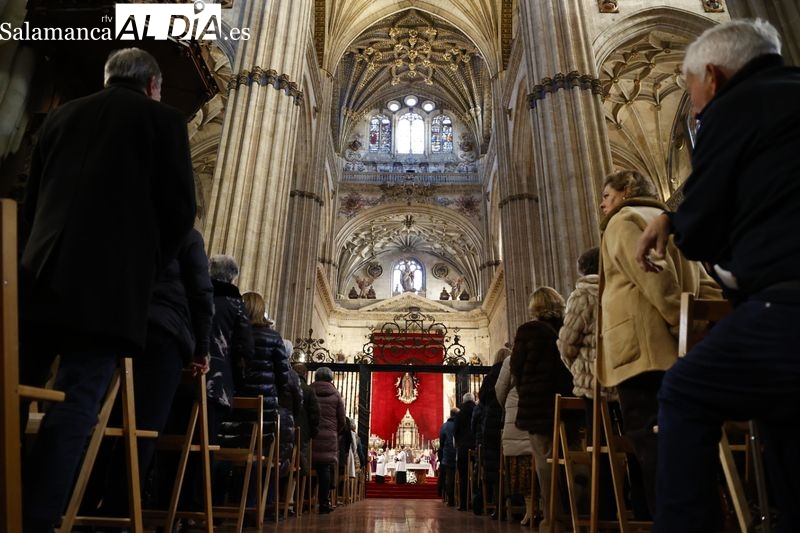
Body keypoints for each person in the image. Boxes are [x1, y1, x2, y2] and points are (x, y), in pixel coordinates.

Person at [18, 47, 196, 533]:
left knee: (15, 391)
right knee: (78, 399)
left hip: (40, 275)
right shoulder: (163, 121)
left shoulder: (59, 118)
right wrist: (146, 263)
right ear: (154, 86)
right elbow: (181, 213)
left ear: (106, 77)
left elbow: (30, 206)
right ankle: (38, 517)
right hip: (110, 286)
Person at [634, 19, 800, 533]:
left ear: (713, 75)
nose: (695, 106)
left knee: (685, 391)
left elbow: (703, 231)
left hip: (787, 301)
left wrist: (681, 222)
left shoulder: (730, 110)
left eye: (691, 91)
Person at [598, 169, 721, 519]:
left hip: (645, 353)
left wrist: (683, 327)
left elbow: (655, 279)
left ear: (625, 191)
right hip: (680, 352)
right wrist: (709, 326)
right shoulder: (671, 222)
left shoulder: (624, 220)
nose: (602, 205)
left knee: (654, 446)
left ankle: (674, 522)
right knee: (688, 443)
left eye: (607, 196)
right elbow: (706, 283)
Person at [86, 227, 214, 516]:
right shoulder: (184, 234)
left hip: (117, 326)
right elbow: (201, 291)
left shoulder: (130, 224)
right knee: (145, 426)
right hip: (161, 334)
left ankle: (82, 504)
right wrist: (201, 346)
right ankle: (118, 512)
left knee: (103, 419)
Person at [556, 246, 618, 521]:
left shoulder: (582, 295)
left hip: (594, 384)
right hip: (626, 378)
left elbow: (567, 344)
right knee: (630, 444)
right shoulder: (621, 287)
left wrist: (578, 370)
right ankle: (637, 507)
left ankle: (603, 510)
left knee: (599, 446)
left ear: (582, 270)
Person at [510, 286, 575, 533]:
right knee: (575, 458)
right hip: (573, 403)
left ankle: (554, 520)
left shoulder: (528, 331)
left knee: (546, 462)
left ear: (533, 307)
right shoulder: (569, 327)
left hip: (539, 406)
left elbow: (516, 369)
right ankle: (581, 514)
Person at [495, 346, 535, 525]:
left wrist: (507, 405)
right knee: (539, 463)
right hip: (541, 415)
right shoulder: (550, 352)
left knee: (522, 467)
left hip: (516, 418)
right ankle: (542, 508)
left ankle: (529, 509)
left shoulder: (511, 361)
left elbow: (500, 390)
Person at [473, 347, 509, 518]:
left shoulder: (489, 377)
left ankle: (496, 502)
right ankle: (511, 503)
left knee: (493, 467)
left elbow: (482, 398)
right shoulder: (510, 371)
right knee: (507, 465)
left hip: (490, 426)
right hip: (505, 422)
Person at [311, 366, 346, 514]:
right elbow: (342, 419)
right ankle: (324, 504)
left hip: (311, 436)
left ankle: (304, 500)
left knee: (307, 467)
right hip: (329, 436)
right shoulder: (336, 395)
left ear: (316, 377)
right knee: (324, 469)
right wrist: (334, 432)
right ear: (331, 379)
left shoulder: (309, 390)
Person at [453, 392, 476, 511]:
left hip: (462, 447)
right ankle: (477, 503)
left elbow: (455, 431)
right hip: (476, 447)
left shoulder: (459, 414)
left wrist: (458, 443)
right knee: (477, 475)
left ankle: (463, 504)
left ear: (463, 401)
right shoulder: (477, 410)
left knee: (463, 476)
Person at [438, 408, 458, 506]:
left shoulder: (444, 426)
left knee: (449, 477)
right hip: (458, 453)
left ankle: (450, 498)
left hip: (448, 455)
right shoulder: (459, 424)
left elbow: (441, 442)